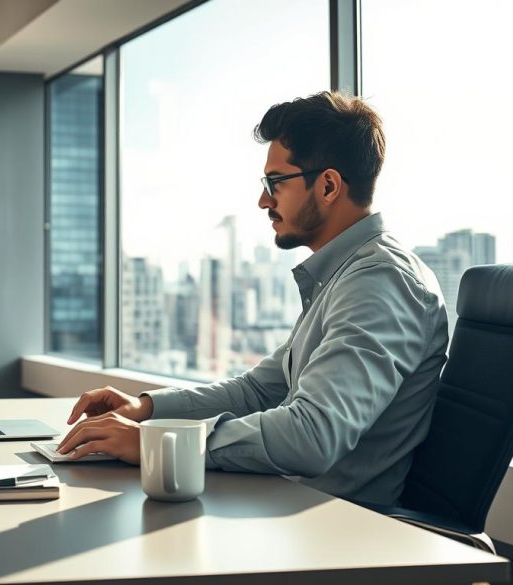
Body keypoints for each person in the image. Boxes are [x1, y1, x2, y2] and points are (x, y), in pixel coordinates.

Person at [57, 91, 448, 506]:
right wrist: (147, 409)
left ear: (329, 185)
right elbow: (257, 393)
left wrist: (160, 443)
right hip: (289, 507)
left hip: (336, 531)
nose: (264, 200)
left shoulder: (381, 282)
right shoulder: (344, 277)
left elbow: (311, 435)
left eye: (276, 182)